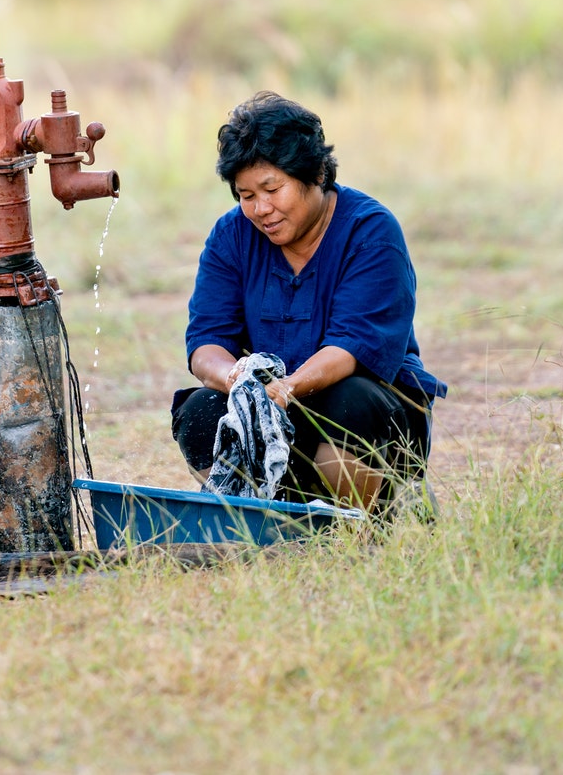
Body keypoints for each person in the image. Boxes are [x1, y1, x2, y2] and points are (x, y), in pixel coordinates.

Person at [174, 93, 445, 509]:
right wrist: (237, 381)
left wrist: (286, 389)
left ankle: (368, 517)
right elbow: (206, 343)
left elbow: (351, 348)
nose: (261, 209)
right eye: (246, 195)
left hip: (364, 414)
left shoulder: (370, 232)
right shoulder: (230, 236)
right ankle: (254, 517)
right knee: (200, 411)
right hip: (273, 410)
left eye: (272, 188)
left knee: (349, 401)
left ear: (316, 173)